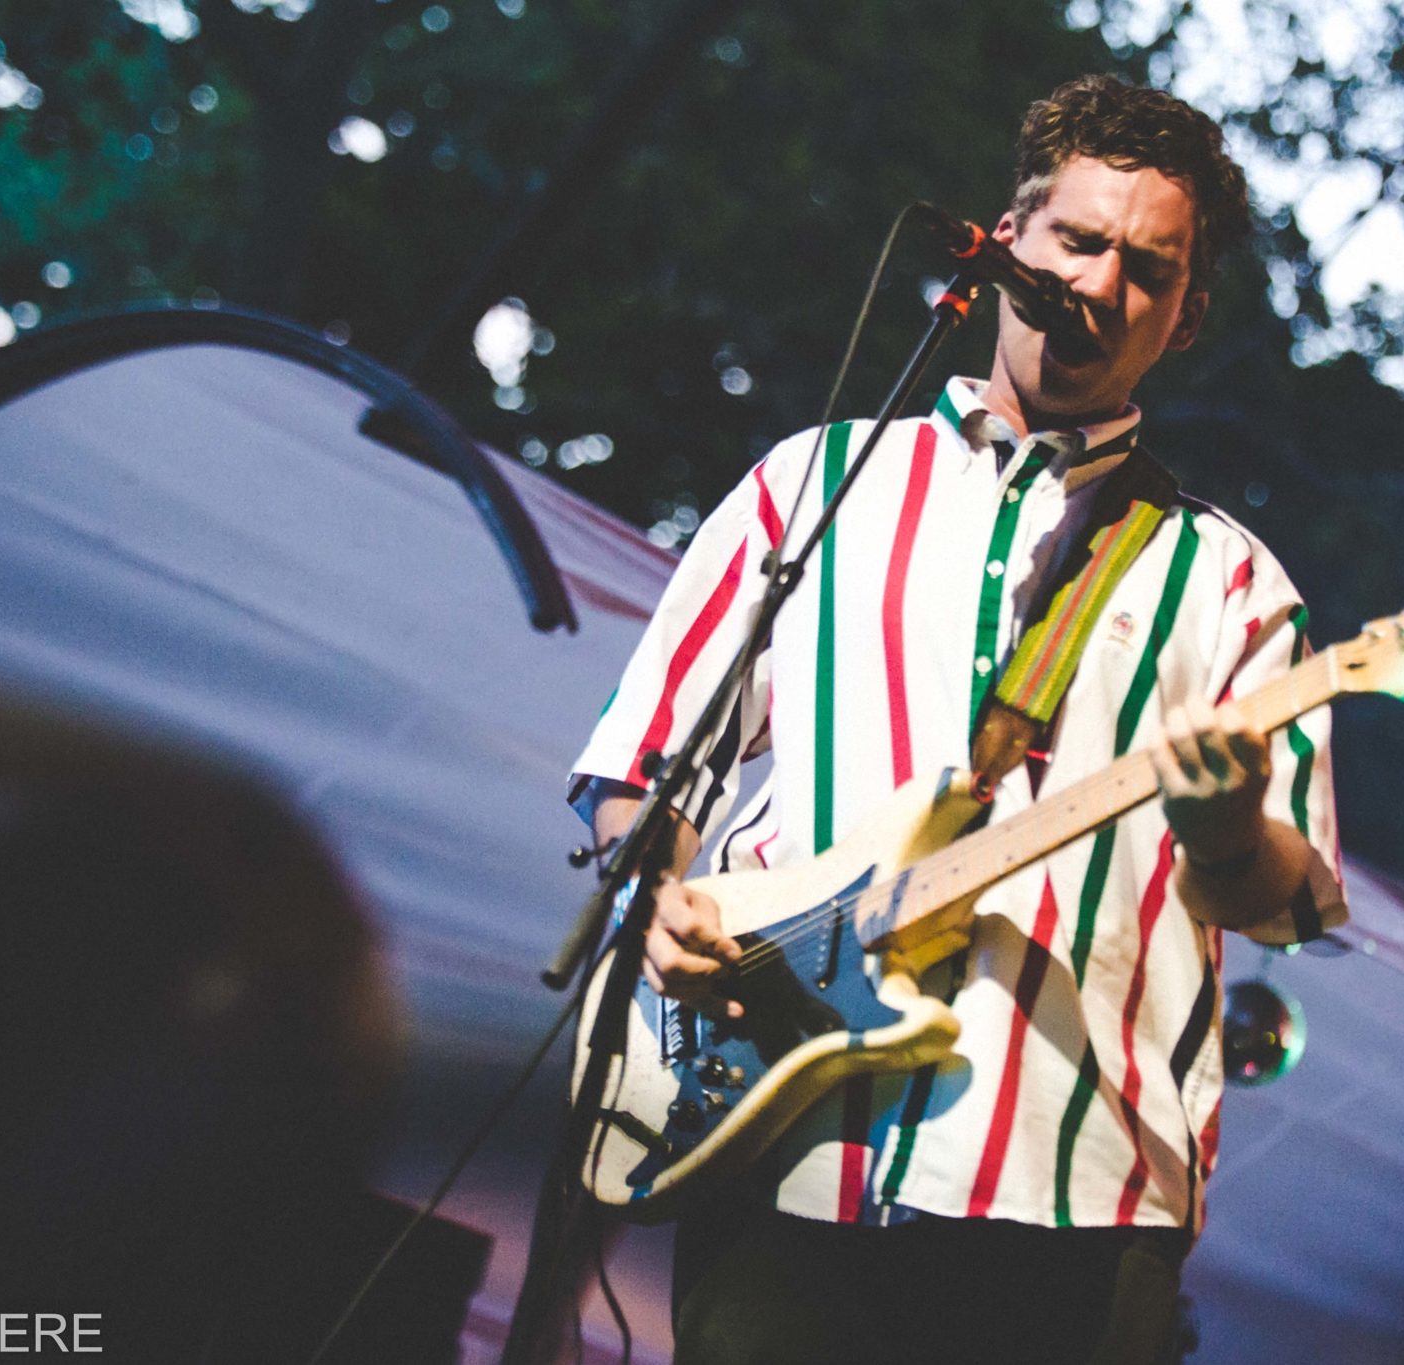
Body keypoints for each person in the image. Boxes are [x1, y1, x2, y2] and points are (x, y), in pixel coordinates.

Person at [570, 74, 1347, 1364]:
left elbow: (1288, 902)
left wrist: (1220, 828)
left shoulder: (1232, 582)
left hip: (1073, 1189)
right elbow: (649, 763)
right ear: (1006, 245)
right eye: (1078, 243)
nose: (1099, 286)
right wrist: (657, 892)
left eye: (1146, 270)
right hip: (785, 1145)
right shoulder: (812, 484)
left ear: (1186, 316)